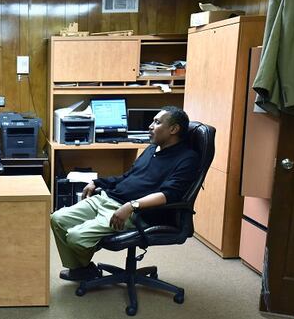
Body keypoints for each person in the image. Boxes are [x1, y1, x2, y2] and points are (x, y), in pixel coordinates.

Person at [50, 106, 199, 281]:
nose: (150, 126)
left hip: (135, 212)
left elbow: (168, 195)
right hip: (108, 198)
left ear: (174, 129)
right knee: (57, 218)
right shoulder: (152, 149)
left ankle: (83, 267)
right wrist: (97, 182)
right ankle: (83, 270)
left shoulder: (187, 159)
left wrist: (131, 206)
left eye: (157, 122)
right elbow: (128, 177)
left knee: (76, 237)